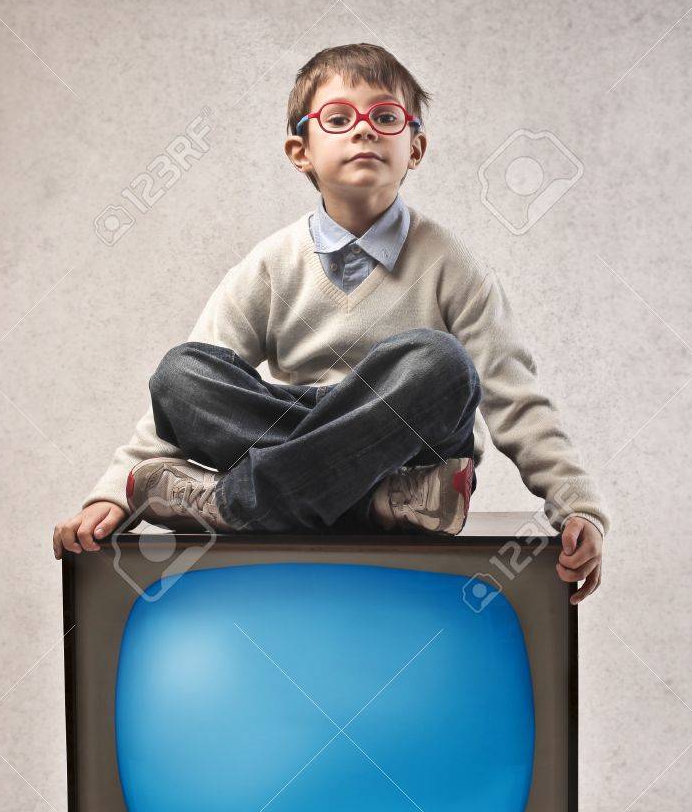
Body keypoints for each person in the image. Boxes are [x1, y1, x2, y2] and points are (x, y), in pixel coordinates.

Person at [53, 43, 609, 601]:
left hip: (406, 445)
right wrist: (111, 496)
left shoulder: (451, 264)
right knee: (180, 373)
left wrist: (576, 505)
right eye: (338, 119)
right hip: (323, 444)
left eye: (385, 117)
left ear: (415, 148)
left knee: (440, 364)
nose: (363, 131)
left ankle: (240, 504)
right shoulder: (270, 264)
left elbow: (515, 396)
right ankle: (375, 499)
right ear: (301, 151)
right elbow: (174, 406)